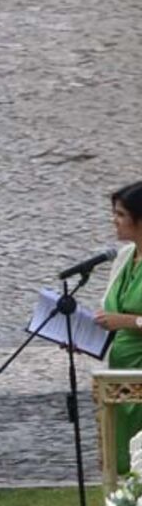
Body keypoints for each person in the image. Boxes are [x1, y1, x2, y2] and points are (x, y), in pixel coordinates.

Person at [95, 181, 142, 474]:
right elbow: (110, 312)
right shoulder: (126, 257)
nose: (115, 220)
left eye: (121, 214)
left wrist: (127, 322)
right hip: (119, 375)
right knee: (121, 456)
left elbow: (123, 319)